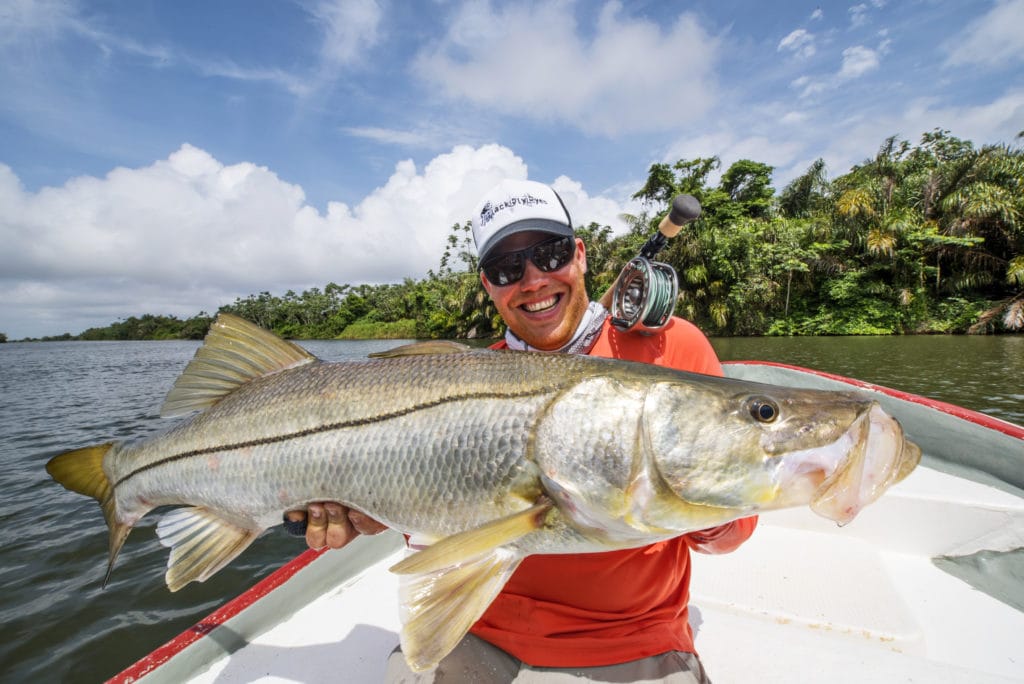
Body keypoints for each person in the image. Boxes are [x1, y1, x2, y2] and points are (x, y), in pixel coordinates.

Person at [287, 179, 757, 682]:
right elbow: (433, 514)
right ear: (488, 286)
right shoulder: (464, 379)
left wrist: (705, 494)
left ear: (579, 255)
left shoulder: (669, 349)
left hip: (631, 637)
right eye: (507, 269)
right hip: (479, 627)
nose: (533, 280)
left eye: (550, 255)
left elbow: (730, 536)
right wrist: (363, 511)